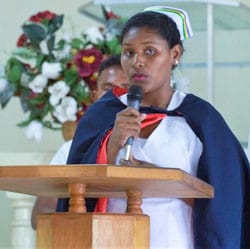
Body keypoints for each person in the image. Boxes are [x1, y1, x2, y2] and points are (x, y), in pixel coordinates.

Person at [57, 6, 250, 249]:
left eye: (149, 51)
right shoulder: (104, 114)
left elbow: (228, 201)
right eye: (129, 53)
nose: (138, 62)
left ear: (175, 54)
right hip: (110, 241)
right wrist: (111, 144)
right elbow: (76, 192)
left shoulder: (201, 119)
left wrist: (159, 178)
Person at [31, 54, 129, 229]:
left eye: (125, 89)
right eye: (108, 90)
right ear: (94, 96)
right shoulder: (70, 149)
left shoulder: (142, 147)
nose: (117, 98)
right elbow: (41, 214)